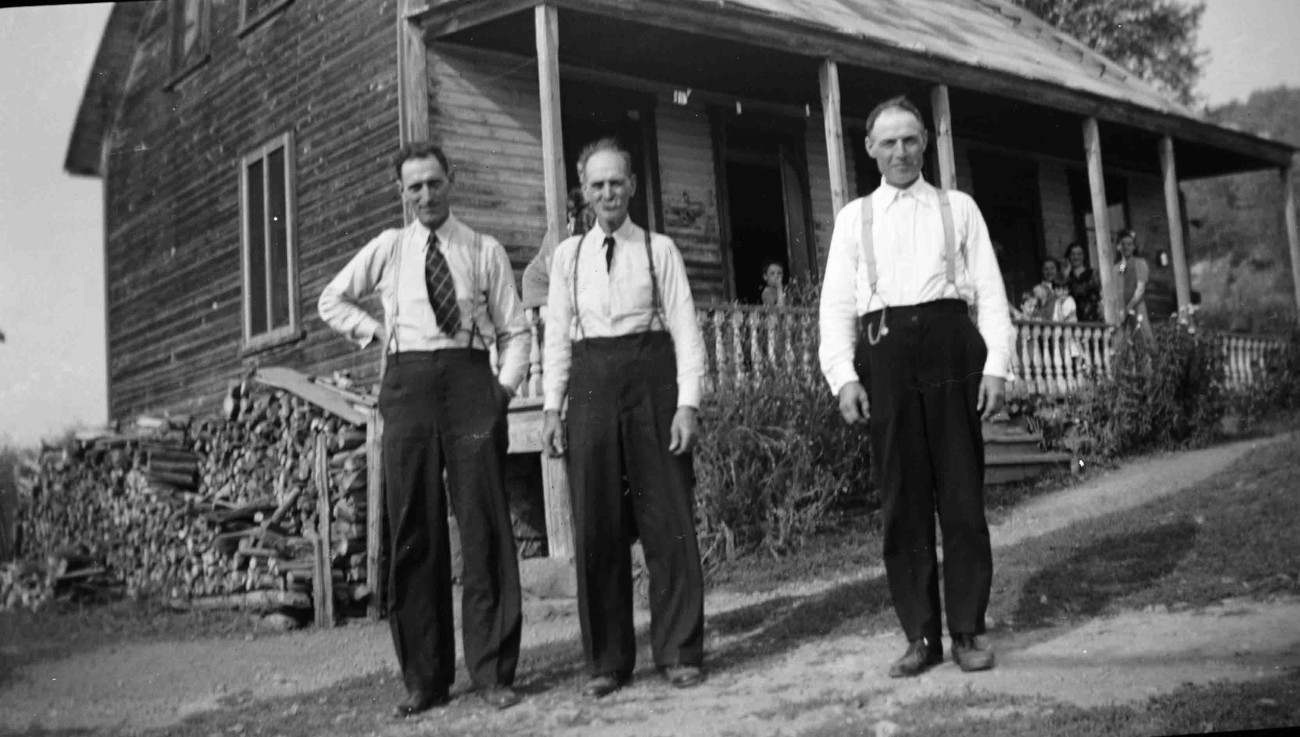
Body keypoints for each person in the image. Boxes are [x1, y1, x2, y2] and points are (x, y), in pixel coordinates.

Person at [318, 142, 529, 716]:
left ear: (450, 180)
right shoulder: (388, 249)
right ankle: (425, 680)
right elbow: (330, 300)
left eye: (434, 183)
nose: (425, 195)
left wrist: (501, 391)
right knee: (414, 528)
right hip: (407, 385)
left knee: (484, 525)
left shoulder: (482, 249)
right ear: (401, 192)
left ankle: (492, 671)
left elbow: (516, 331)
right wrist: (375, 334)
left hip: (468, 384)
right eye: (414, 187)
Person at [818, 96, 1012, 678]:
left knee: (960, 494)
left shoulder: (959, 208)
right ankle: (920, 635)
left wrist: (997, 364)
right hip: (886, 353)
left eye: (910, 140)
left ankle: (968, 630)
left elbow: (993, 294)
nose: (900, 152)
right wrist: (843, 377)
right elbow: (836, 308)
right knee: (902, 501)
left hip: (952, 346)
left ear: (925, 142)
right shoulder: (856, 218)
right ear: (870, 148)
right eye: (888, 142)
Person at [541, 138, 708, 698]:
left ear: (633, 186)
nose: (608, 193)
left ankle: (679, 648)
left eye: (617, 182)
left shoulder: (660, 250)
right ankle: (607, 661)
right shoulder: (568, 257)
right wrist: (550, 406)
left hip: (652, 379)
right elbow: (557, 339)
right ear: (584, 193)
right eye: (597, 185)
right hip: (591, 381)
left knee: (668, 519)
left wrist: (688, 405)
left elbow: (686, 330)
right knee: (597, 524)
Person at [1115, 228, 1154, 342]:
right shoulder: (1121, 266)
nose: (1126, 247)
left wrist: (1128, 308)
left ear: (1134, 247)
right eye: (1123, 244)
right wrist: (1121, 309)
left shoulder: (1139, 263)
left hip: (1136, 305)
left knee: (1142, 333)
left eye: (1129, 244)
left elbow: (1140, 289)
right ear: (1118, 247)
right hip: (1121, 307)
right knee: (1123, 338)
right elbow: (1120, 283)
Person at [1063, 242, 1102, 323]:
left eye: (1079, 254)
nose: (1076, 257)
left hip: (1091, 317)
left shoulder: (1093, 273)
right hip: (1072, 317)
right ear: (1069, 257)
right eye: (1073, 254)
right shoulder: (1067, 275)